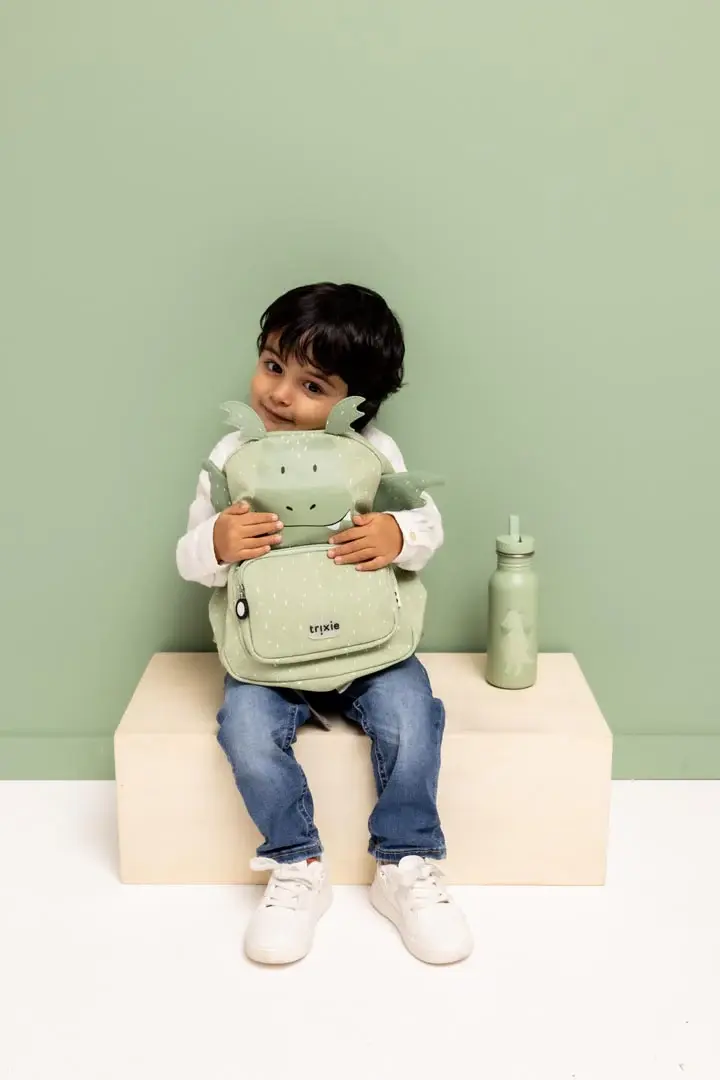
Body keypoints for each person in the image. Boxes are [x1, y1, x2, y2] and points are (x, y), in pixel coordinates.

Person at [176, 282, 472, 966]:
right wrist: (217, 542)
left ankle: (406, 860)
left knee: (412, 717)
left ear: (354, 403)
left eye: (312, 386)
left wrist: (396, 535)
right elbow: (190, 559)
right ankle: (296, 862)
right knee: (246, 731)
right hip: (267, 653)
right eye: (272, 365)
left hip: (371, 647)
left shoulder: (374, 451)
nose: (281, 394)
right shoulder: (232, 456)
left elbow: (427, 528)